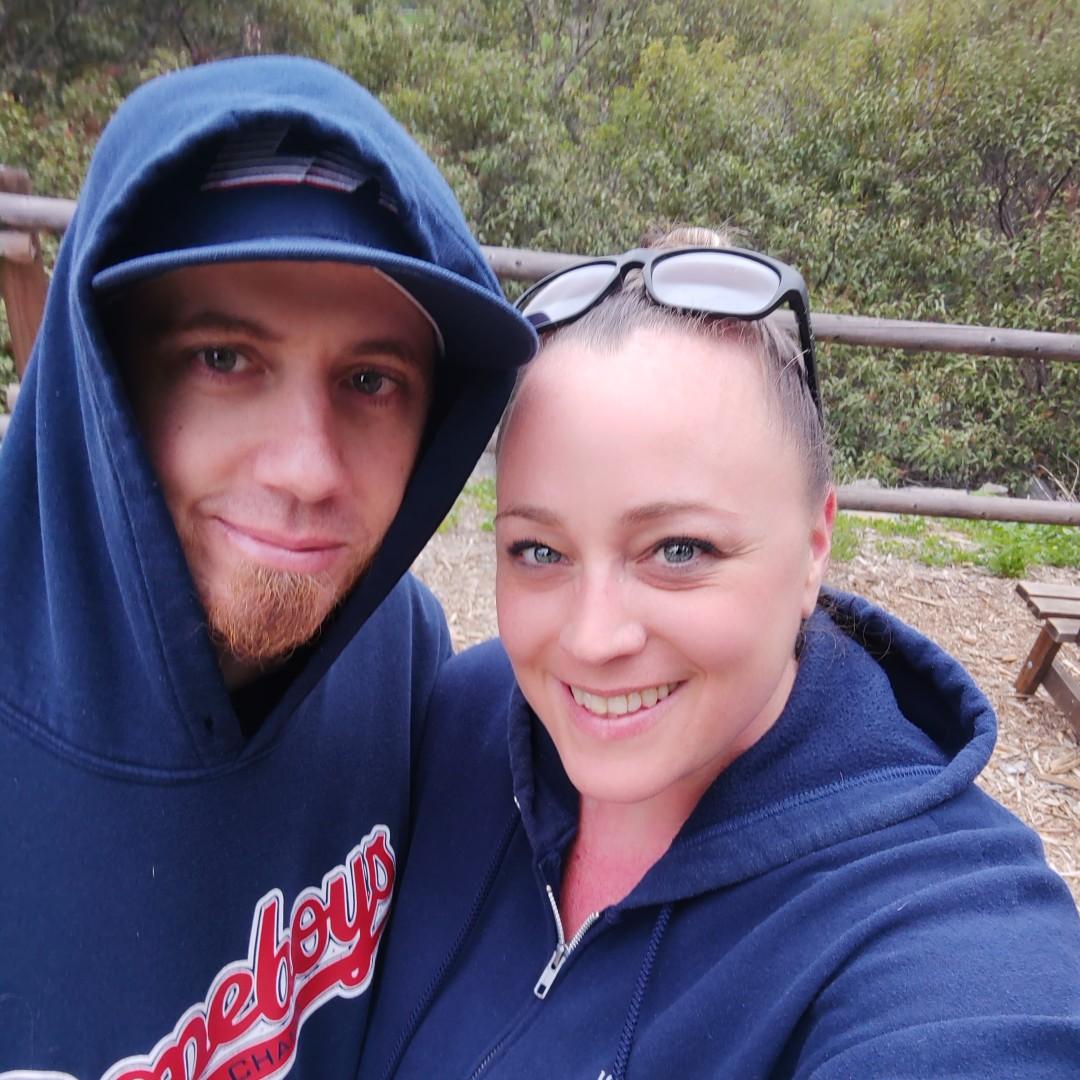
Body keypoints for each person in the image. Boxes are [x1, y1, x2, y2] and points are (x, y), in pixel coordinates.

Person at [360, 228, 1080, 1078]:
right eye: (539, 551)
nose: (592, 638)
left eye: (678, 550)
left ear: (814, 546)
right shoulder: (463, 717)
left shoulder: (945, 928)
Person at [0, 56, 535, 1077]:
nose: (306, 469)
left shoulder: (400, 654)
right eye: (223, 358)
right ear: (106, 372)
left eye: (371, 380)